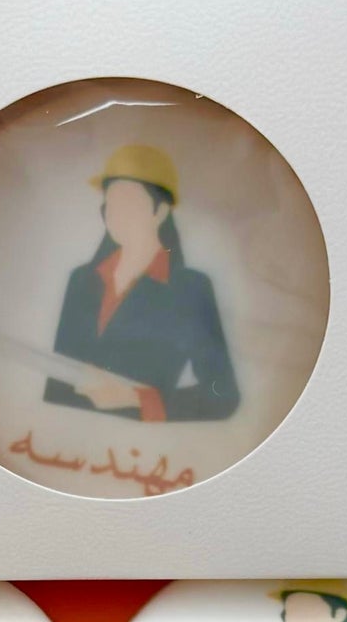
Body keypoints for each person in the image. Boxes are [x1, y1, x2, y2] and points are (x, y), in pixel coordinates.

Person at [43, 144, 239, 428]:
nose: (117, 216)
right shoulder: (81, 280)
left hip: (145, 444)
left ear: (160, 211)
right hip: (69, 438)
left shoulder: (191, 290)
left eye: (130, 204)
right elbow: (57, 388)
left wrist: (136, 398)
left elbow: (223, 397)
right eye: (111, 205)